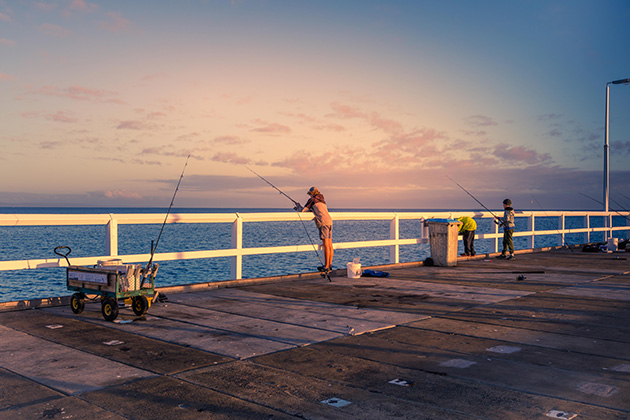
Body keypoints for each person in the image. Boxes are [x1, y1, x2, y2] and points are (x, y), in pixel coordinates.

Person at [295, 187, 333, 271]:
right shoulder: (322, 199)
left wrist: (297, 206)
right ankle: (329, 265)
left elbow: (303, 210)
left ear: (311, 193)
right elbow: (317, 210)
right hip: (329, 221)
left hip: (323, 222)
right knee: (330, 244)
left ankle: (326, 267)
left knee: (326, 244)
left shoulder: (312, 200)